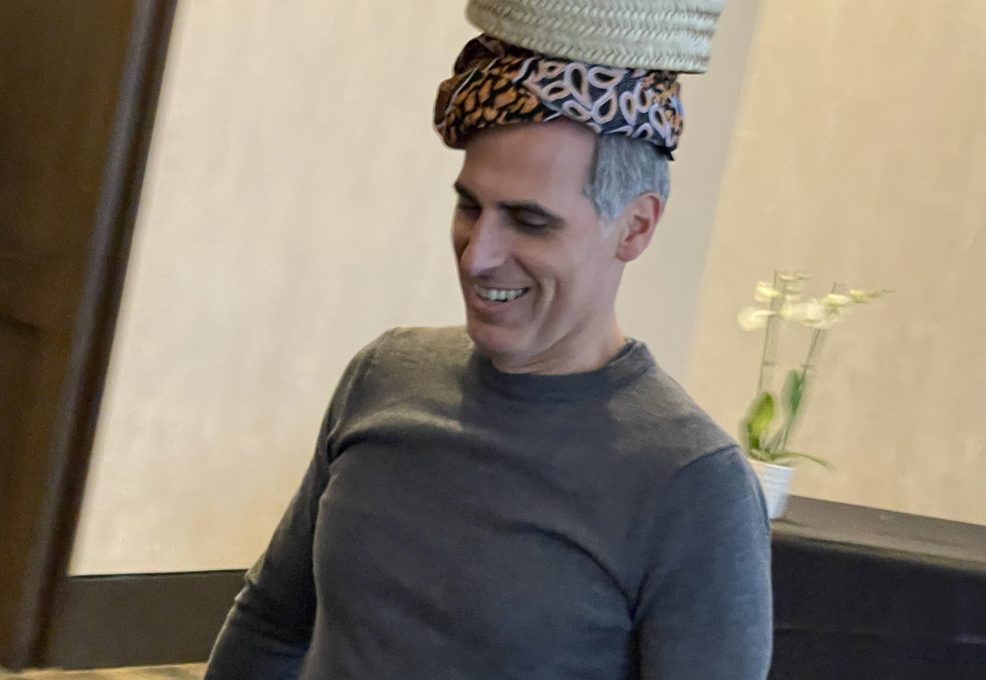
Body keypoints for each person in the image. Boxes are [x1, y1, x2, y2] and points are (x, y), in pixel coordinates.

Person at [204, 2, 772, 678]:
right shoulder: (384, 376)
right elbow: (270, 621)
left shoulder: (691, 486)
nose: (478, 256)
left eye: (529, 221)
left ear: (635, 227)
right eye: (470, 207)